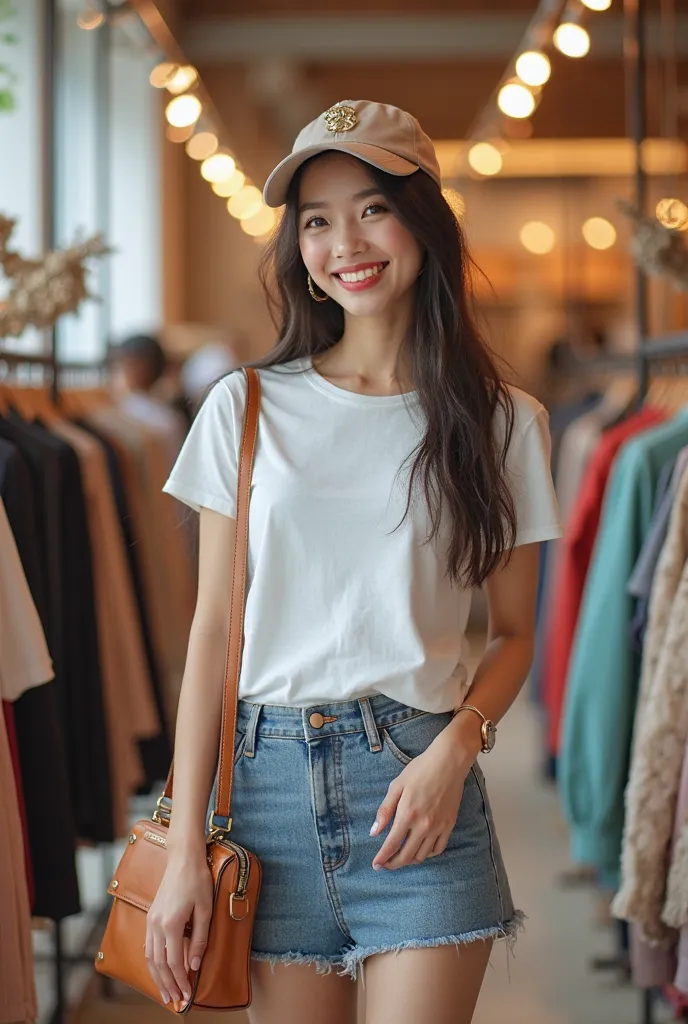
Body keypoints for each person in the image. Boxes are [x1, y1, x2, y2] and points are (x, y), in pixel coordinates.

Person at [151, 99, 563, 1024]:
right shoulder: (244, 406)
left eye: (372, 207)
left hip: (419, 785)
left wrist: (457, 746)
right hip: (263, 796)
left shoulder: (504, 421)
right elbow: (213, 629)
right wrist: (184, 850)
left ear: (423, 220)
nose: (346, 241)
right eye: (316, 221)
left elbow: (514, 635)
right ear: (298, 247)